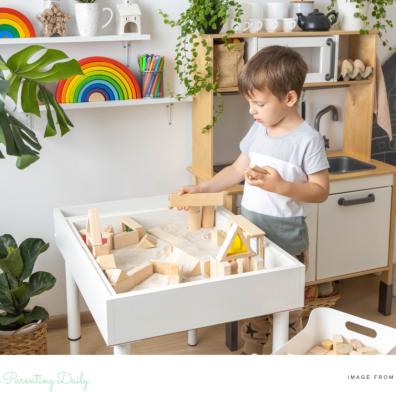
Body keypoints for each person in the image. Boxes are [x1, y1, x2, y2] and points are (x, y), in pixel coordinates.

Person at [178, 45, 330, 354]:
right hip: (250, 235)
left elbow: (320, 190)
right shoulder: (259, 130)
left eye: (259, 103)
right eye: (250, 103)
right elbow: (237, 168)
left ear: (289, 98)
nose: (252, 111)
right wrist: (204, 189)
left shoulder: (307, 140)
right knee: (253, 303)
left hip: (287, 241)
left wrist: (282, 186)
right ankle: (252, 354)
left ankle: (287, 357)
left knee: (285, 310)